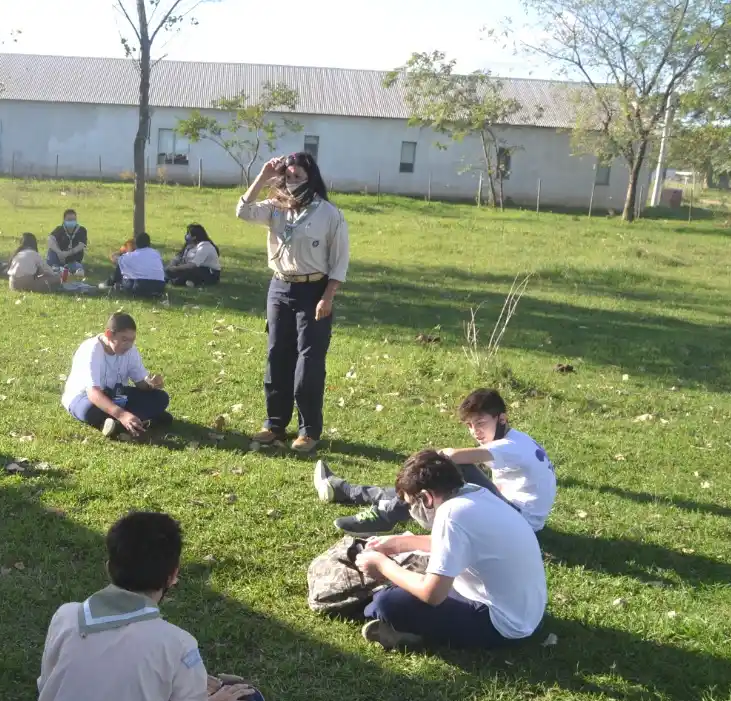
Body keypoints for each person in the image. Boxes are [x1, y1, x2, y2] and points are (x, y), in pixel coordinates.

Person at [32, 512, 266, 701]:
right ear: (173, 575)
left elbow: (48, 687)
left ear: (109, 567)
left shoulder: (65, 616)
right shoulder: (177, 645)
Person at [354, 450, 548, 650]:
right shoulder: (474, 492)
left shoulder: (450, 514)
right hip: (529, 613)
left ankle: (409, 634)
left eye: (412, 504)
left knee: (387, 602)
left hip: (501, 626)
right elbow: (460, 543)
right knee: (406, 586)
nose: (413, 512)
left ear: (426, 497)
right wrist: (401, 543)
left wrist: (381, 564)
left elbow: (432, 594)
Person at [320, 389, 557, 535]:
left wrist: (425, 463)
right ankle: (346, 490)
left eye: (481, 423)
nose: (475, 431)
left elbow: (453, 456)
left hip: (518, 523)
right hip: (513, 512)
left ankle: (385, 517)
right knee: (436, 481)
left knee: (449, 467)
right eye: (470, 425)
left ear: (502, 418)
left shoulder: (510, 447)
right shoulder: (517, 439)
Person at [237, 152, 349, 454]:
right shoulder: (275, 206)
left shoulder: (328, 214)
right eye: (288, 176)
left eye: (299, 176)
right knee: (277, 355)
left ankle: (308, 430)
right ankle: (275, 424)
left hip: (313, 292)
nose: (293, 182)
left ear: (311, 178)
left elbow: (340, 261)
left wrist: (327, 297)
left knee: (308, 362)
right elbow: (243, 212)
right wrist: (262, 177)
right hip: (279, 287)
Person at [61, 312, 171, 439]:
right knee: (88, 410)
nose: (129, 345)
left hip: (117, 395)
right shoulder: (91, 350)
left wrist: (152, 385)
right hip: (84, 397)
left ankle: (116, 425)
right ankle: (138, 420)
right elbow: (93, 393)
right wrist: (122, 415)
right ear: (108, 334)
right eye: (124, 339)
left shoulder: (130, 350)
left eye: (132, 340)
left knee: (161, 398)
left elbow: (141, 383)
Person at [101, 233, 167, 296]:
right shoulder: (156, 253)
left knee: (121, 267)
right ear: (149, 243)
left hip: (139, 288)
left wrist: (120, 252)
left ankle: (107, 284)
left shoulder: (130, 256)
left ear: (136, 244)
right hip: (159, 287)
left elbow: (114, 258)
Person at [46, 209, 88, 274]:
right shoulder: (60, 229)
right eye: (69, 220)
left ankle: (64, 271)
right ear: (64, 220)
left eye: (73, 220)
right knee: (51, 250)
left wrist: (67, 253)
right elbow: (50, 239)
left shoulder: (81, 230)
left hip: (73, 261)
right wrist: (59, 252)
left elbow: (81, 245)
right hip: (59, 259)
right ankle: (55, 268)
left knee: (79, 269)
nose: (71, 222)